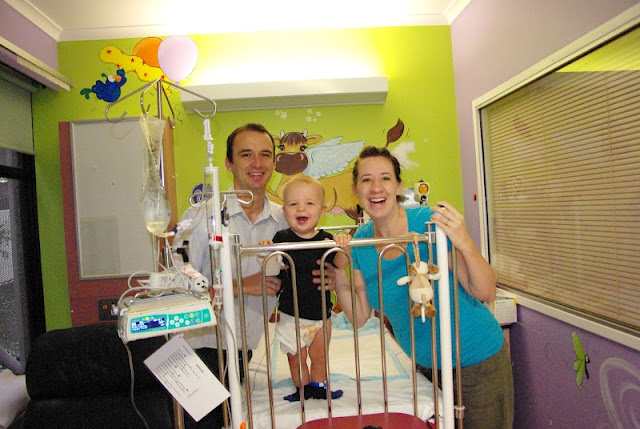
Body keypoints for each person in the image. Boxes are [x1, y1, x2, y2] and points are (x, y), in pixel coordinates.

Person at [334, 146, 514, 429]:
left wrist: (464, 241)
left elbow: (485, 292)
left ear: (398, 186)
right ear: (355, 190)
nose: (376, 187)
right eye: (366, 180)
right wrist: (337, 272)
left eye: (385, 178)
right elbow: (359, 317)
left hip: (476, 362)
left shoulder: (429, 223)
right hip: (426, 371)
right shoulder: (361, 243)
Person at [172, 124, 337, 428]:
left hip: (247, 353)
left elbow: (322, 263)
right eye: (246, 155)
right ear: (229, 163)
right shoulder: (200, 219)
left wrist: (331, 277)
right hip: (201, 350)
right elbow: (176, 290)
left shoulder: (289, 221)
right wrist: (239, 286)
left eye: (265, 155)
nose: (257, 163)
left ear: (275, 162)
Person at [259, 175, 348, 402]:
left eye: (309, 203)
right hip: (291, 314)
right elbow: (271, 270)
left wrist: (342, 245)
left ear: (322, 210)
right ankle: (302, 389)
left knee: (319, 356)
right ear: (284, 211)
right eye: (293, 204)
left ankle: (319, 388)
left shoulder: (326, 240)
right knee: (295, 358)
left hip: (321, 315)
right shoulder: (281, 238)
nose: (301, 209)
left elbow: (341, 263)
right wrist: (267, 253)